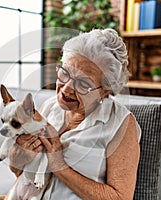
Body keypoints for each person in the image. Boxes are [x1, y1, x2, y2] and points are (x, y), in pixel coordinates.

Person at [8, 28, 141, 200]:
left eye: (83, 83)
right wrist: (15, 160)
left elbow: (121, 197)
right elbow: (24, 173)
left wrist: (58, 165)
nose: (66, 88)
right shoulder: (50, 107)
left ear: (105, 91)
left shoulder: (120, 124)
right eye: (65, 72)